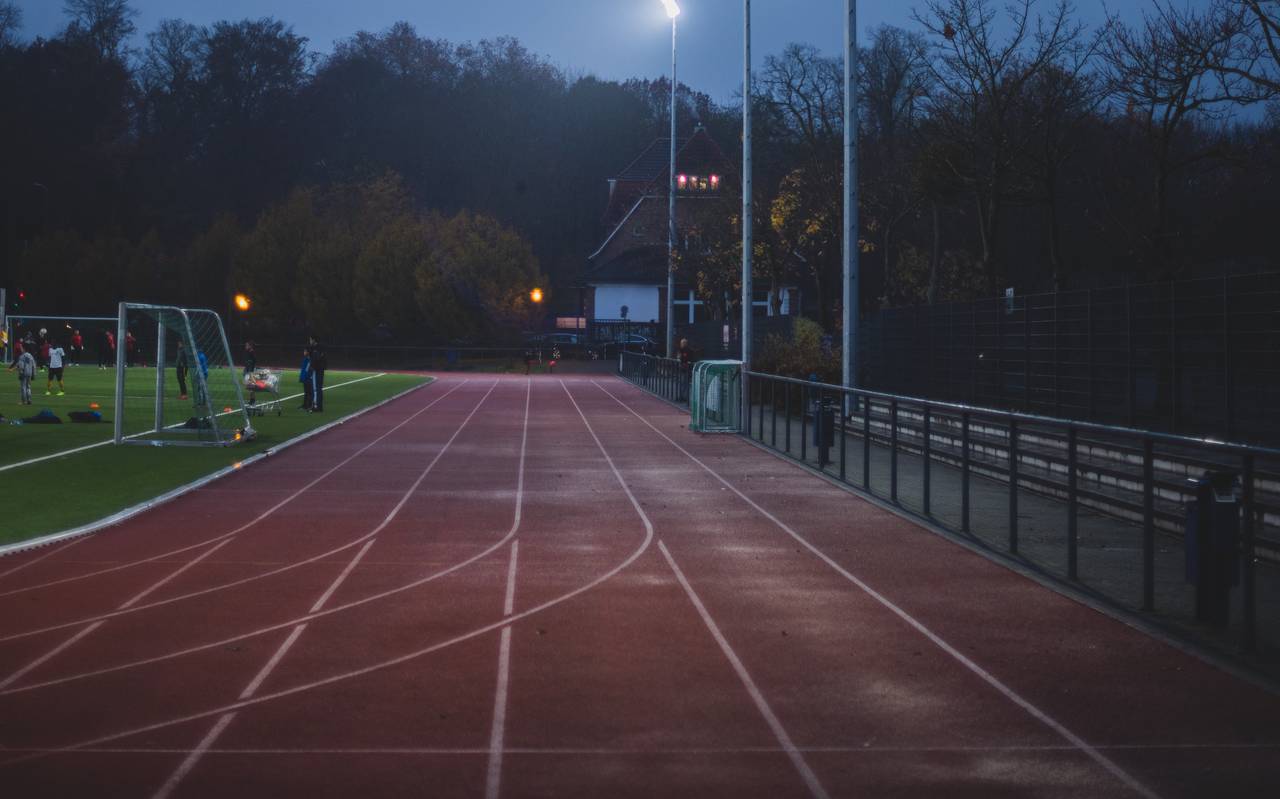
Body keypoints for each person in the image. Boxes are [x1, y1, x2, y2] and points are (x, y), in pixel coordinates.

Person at [308, 336, 327, 412]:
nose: (309, 341)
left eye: (310, 339)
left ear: (313, 340)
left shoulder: (316, 349)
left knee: (316, 389)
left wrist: (312, 367)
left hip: (317, 370)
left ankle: (316, 406)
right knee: (319, 389)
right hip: (321, 369)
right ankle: (319, 406)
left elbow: (315, 359)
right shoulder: (321, 348)